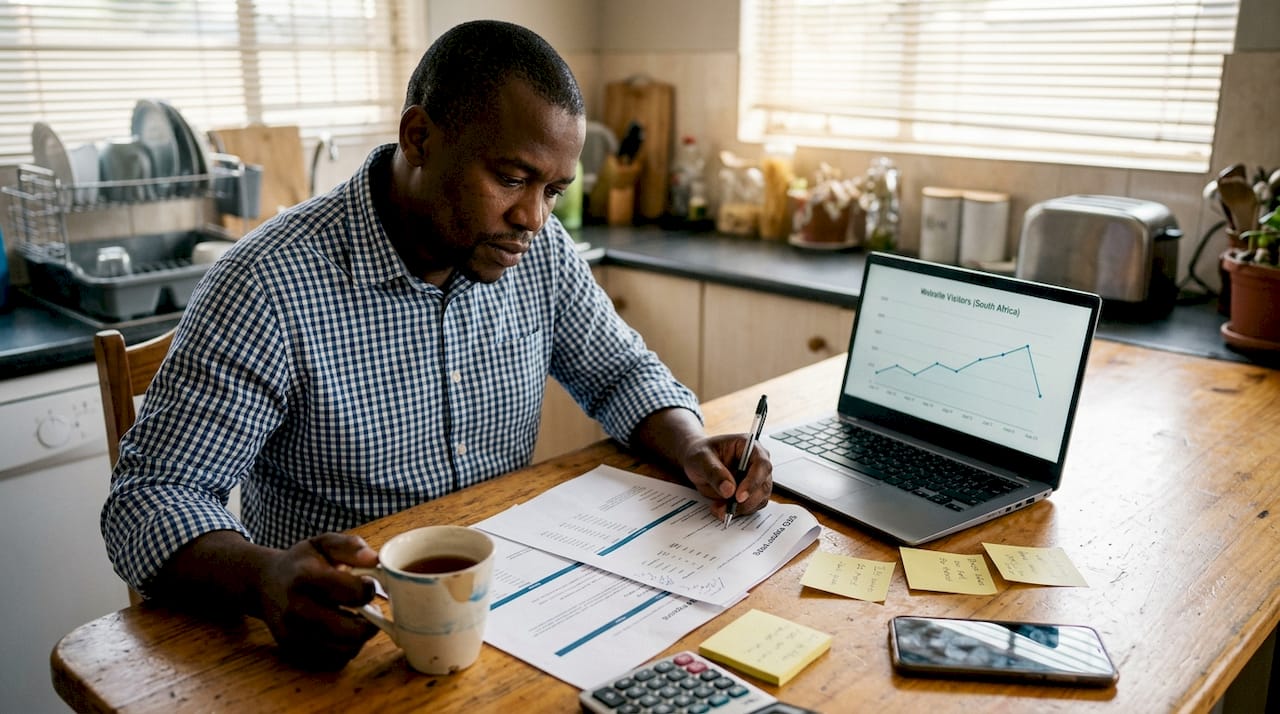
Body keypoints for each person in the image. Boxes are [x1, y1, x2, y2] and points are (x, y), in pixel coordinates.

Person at [101, 19, 773, 670]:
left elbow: (622, 373)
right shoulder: (267, 285)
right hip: (336, 641)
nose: (534, 218)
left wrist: (690, 444)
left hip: (510, 623)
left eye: (555, 190)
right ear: (419, 137)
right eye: (511, 179)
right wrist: (266, 577)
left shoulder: (539, 254)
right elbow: (150, 497)